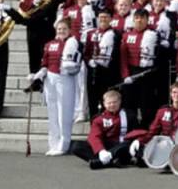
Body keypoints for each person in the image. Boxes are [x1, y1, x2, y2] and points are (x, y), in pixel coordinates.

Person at [30, 19, 82, 155]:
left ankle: (63, 144)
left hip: (64, 78)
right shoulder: (49, 44)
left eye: (64, 29)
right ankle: (53, 143)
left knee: (64, 112)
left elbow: (76, 61)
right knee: (52, 112)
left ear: (69, 30)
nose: (61, 31)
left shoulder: (73, 43)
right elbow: (45, 62)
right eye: (59, 29)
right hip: (50, 79)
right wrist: (40, 73)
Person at [129, 82, 178, 161]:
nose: (177, 95)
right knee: (137, 147)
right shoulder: (162, 111)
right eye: (174, 92)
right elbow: (153, 131)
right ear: (170, 94)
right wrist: (139, 140)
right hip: (164, 145)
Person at [71, 89, 134, 170]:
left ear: (120, 102)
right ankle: (109, 162)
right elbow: (94, 136)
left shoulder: (129, 115)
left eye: (114, 102)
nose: (112, 105)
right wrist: (101, 150)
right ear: (104, 104)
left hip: (121, 146)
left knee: (128, 144)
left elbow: (134, 132)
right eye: (109, 103)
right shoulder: (98, 118)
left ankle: (100, 162)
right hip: (105, 146)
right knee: (77, 146)